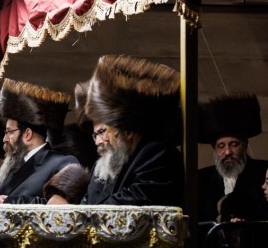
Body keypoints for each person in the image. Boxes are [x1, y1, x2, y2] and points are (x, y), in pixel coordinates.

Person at [45, 55, 185, 208]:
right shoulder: (105, 164)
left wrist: (79, 215)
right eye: (95, 135)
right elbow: (88, 204)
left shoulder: (155, 154)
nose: (98, 141)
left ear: (127, 131)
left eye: (102, 132)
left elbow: (129, 205)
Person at [0, 79, 77, 204]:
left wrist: (7, 203)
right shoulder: (8, 169)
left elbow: (57, 208)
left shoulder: (63, 164)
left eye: (9, 132)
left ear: (27, 134)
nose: (4, 139)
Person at [197, 92, 268, 223]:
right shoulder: (200, 180)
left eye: (234, 144)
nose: (227, 152)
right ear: (214, 149)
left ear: (245, 145)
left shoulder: (265, 174)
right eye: (221, 146)